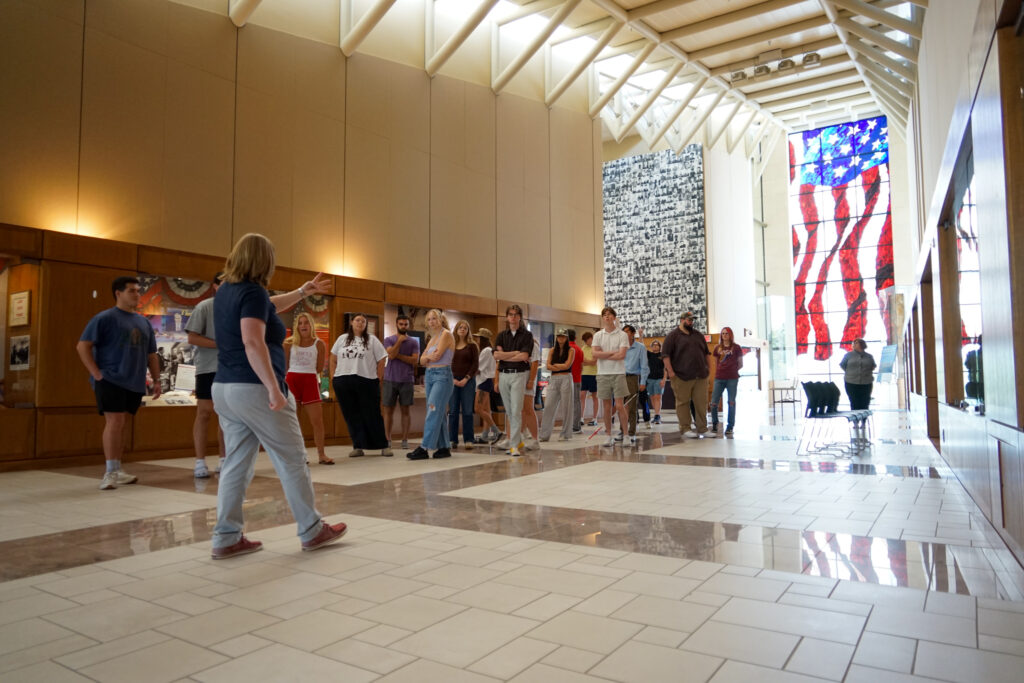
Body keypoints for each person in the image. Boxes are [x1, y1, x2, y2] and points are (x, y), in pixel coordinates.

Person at [210, 233, 346, 559]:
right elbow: (253, 342)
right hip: (254, 387)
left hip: (225, 389)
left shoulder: (227, 291)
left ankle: (226, 537)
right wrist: (273, 387)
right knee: (292, 457)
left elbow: (270, 307)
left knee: (236, 464)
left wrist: (302, 292)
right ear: (264, 261)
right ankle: (312, 529)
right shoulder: (253, 291)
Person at [76, 276, 162, 490]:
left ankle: (117, 467)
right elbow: (82, 346)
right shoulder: (104, 318)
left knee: (122, 424)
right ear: (118, 293)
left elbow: (151, 354)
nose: (137, 295)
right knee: (114, 422)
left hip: (133, 381)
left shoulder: (143, 322)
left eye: (138, 291)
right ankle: (110, 471)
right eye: (132, 291)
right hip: (110, 377)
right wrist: (97, 374)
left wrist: (157, 379)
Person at [330, 314, 392, 457]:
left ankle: (383, 445)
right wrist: (333, 377)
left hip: (366, 380)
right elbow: (333, 359)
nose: (360, 323)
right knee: (351, 415)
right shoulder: (342, 339)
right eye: (357, 320)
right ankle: (358, 445)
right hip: (343, 380)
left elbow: (383, 359)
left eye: (363, 321)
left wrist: (378, 377)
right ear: (352, 322)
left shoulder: (372, 339)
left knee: (372, 413)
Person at [185, 272, 225, 478]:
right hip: (208, 367)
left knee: (226, 416)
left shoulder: (238, 309)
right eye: (224, 282)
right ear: (215, 286)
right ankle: (200, 461)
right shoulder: (205, 307)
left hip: (231, 368)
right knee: (204, 412)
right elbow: (192, 337)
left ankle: (224, 459)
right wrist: (219, 344)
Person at [285, 311, 333, 464]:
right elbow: (284, 366)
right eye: (300, 323)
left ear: (311, 325)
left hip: (310, 380)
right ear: (296, 326)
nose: (303, 326)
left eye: (306, 323)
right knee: (294, 421)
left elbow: (319, 367)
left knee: (317, 420)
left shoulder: (319, 343)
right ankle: (298, 455)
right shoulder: (288, 343)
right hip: (292, 379)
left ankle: (321, 455)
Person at [408, 309, 455, 460]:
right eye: (429, 319)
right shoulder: (432, 338)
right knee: (438, 412)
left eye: (434, 318)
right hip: (429, 376)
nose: (431, 322)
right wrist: (428, 357)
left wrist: (427, 357)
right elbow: (421, 360)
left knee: (433, 410)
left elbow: (437, 356)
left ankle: (425, 447)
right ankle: (444, 447)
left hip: (442, 376)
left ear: (440, 319)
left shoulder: (446, 334)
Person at [661, 310, 711, 438]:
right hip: (681, 376)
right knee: (682, 403)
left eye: (692, 320)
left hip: (700, 375)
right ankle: (685, 428)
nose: (691, 322)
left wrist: (708, 370)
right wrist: (671, 372)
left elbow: (706, 353)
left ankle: (702, 428)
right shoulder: (673, 336)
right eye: (688, 320)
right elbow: (665, 355)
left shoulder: (698, 335)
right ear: (682, 320)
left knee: (701, 403)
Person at [493, 304, 533, 456]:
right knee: (509, 411)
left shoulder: (527, 336)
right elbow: (496, 356)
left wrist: (506, 354)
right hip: (504, 374)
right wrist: (514, 353)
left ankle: (514, 445)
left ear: (520, 317)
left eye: (516, 315)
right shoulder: (502, 335)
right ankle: (518, 439)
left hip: (519, 375)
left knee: (516, 410)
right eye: (510, 314)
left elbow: (524, 356)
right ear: (507, 317)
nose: (513, 317)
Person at [592, 307, 632, 447]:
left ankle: (626, 435)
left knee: (620, 405)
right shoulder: (598, 335)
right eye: (604, 315)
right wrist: (611, 353)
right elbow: (595, 354)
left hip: (618, 373)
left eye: (609, 315)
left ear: (614, 317)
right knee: (606, 406)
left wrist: (604, 354)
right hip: (603, 374)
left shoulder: (622, 335)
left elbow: (622, 355)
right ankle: (608, 435)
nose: (607, 317)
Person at [382, 314, 419, 450]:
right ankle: (387, 439)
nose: (403, 326)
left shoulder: (413, 342)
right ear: (396, 324)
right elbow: (390, 355)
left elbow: (414, 361)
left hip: (406, 380)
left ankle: (405, 439)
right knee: (388, 411)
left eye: (405, 324)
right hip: (390, 379)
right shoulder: (389, 339)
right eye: (401, 324)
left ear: (408, 325)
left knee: (405, 410)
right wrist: (399, 342)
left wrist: (396, 355)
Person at [539, 329, 576, 441]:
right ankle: (544, 435)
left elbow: (567, 365)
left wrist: (555, 365)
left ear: (566, 338)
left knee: (567, 407)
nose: (561, 338)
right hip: (554, 378)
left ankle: (565, 434)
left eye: (563, 336)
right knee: (549, 406)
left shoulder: (571, 350)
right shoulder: (552, 350)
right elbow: (548, 366)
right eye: (559, 336)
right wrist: (559, 366)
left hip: (566, 378)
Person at [449, 320, 479, 450]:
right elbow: (447, 363)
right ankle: (452, 439)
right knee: (453, 411)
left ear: (468, 331)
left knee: (467, 411)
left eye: (465, 328)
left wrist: (466, 378)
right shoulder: (451, 345)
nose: (462, 329)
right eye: (460, 327)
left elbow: (475, 365)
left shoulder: (472, 346)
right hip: (452, 380)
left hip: (468, 381)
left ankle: (468, 439)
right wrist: (452, 379)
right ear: (456, 329)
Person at [710, 326, 744, 436]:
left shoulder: (736, 348)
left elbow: (740, 364)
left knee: (731, 402)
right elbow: (715, 362)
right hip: (719, 378)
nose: (724, 335)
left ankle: (730, 426)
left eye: (726, 333)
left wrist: (732, 370)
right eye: (723, 333)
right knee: (714, 402)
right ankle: (715, 423)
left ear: (730, 335)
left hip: (732, 379)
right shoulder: (717, 348)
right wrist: (722, 370)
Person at [472, 328, 501, 444]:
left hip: (484, 382)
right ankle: (484, 435)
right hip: (487, 381)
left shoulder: (486, 351)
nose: (476, 340)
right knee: (486, 410)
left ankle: (497, 431)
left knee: (478, 409)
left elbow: (478, 369)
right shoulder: (489, 350)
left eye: (478, 338)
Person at [622, 325, 649, 441]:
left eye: (627, 332)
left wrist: (642, 382)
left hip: (632, 378)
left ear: (633, 334)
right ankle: (622, 431)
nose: (625, 334)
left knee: (632, 406)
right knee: (620, 406)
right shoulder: (621, 346)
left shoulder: (640, 347)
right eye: (623, 332)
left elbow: (644, 366)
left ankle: (631, 432)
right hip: (620, 377)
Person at [840, 338, 876, 410]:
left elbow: (873, 366)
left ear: (863, 344)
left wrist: (865, 372)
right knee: (854, 401)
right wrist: (851, 372)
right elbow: (842, 365)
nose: (855, 345)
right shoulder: (848, 355)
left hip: (866, 382)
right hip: (851, 382)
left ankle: (864, 419)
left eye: (857, 343)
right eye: (855, 343)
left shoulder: (869, 356)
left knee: (865, 402)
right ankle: (855, 419)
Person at [519, 337, 542, 450]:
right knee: (521, 409)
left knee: (528, 408)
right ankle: (521, 434)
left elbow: (535, 363)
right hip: (517, 378)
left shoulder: (533, 345)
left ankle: (535, 439)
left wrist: (531, 380)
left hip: (528, 378)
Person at [580, 331, 599, 426]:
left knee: (594, 396)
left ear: (592, 338)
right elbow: (581, 362)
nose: (587, 341)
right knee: (582, 395)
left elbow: (594, 362)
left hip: (594, 374)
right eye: (586, 340)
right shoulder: (583, 348)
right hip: (584, 374)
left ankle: (594, 418)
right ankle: (581, 418)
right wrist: (588, 361)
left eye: (588, 339)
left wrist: (586, 361)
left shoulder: (596, 348)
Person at [645, 340, 666, 425]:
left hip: (659, 378)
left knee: (658, 396)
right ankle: (655, 414)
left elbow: (665, 368)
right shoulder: (649, 355)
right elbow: (642, 347)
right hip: (650, 378)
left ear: (660, 347)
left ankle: (658, 415)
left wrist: (664, 379)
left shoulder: (662, 355)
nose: (655, 346)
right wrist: (641, 336)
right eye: (653, 345)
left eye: (657, 345)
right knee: (652, 397)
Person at [567, 329, 583, 433]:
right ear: (575, 338)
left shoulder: (566, 349)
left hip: (566, 378)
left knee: (566, 403)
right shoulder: (579, 349)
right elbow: (581, 366)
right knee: (577, 402)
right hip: (577, 378)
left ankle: (568, 425)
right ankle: (576, 425)